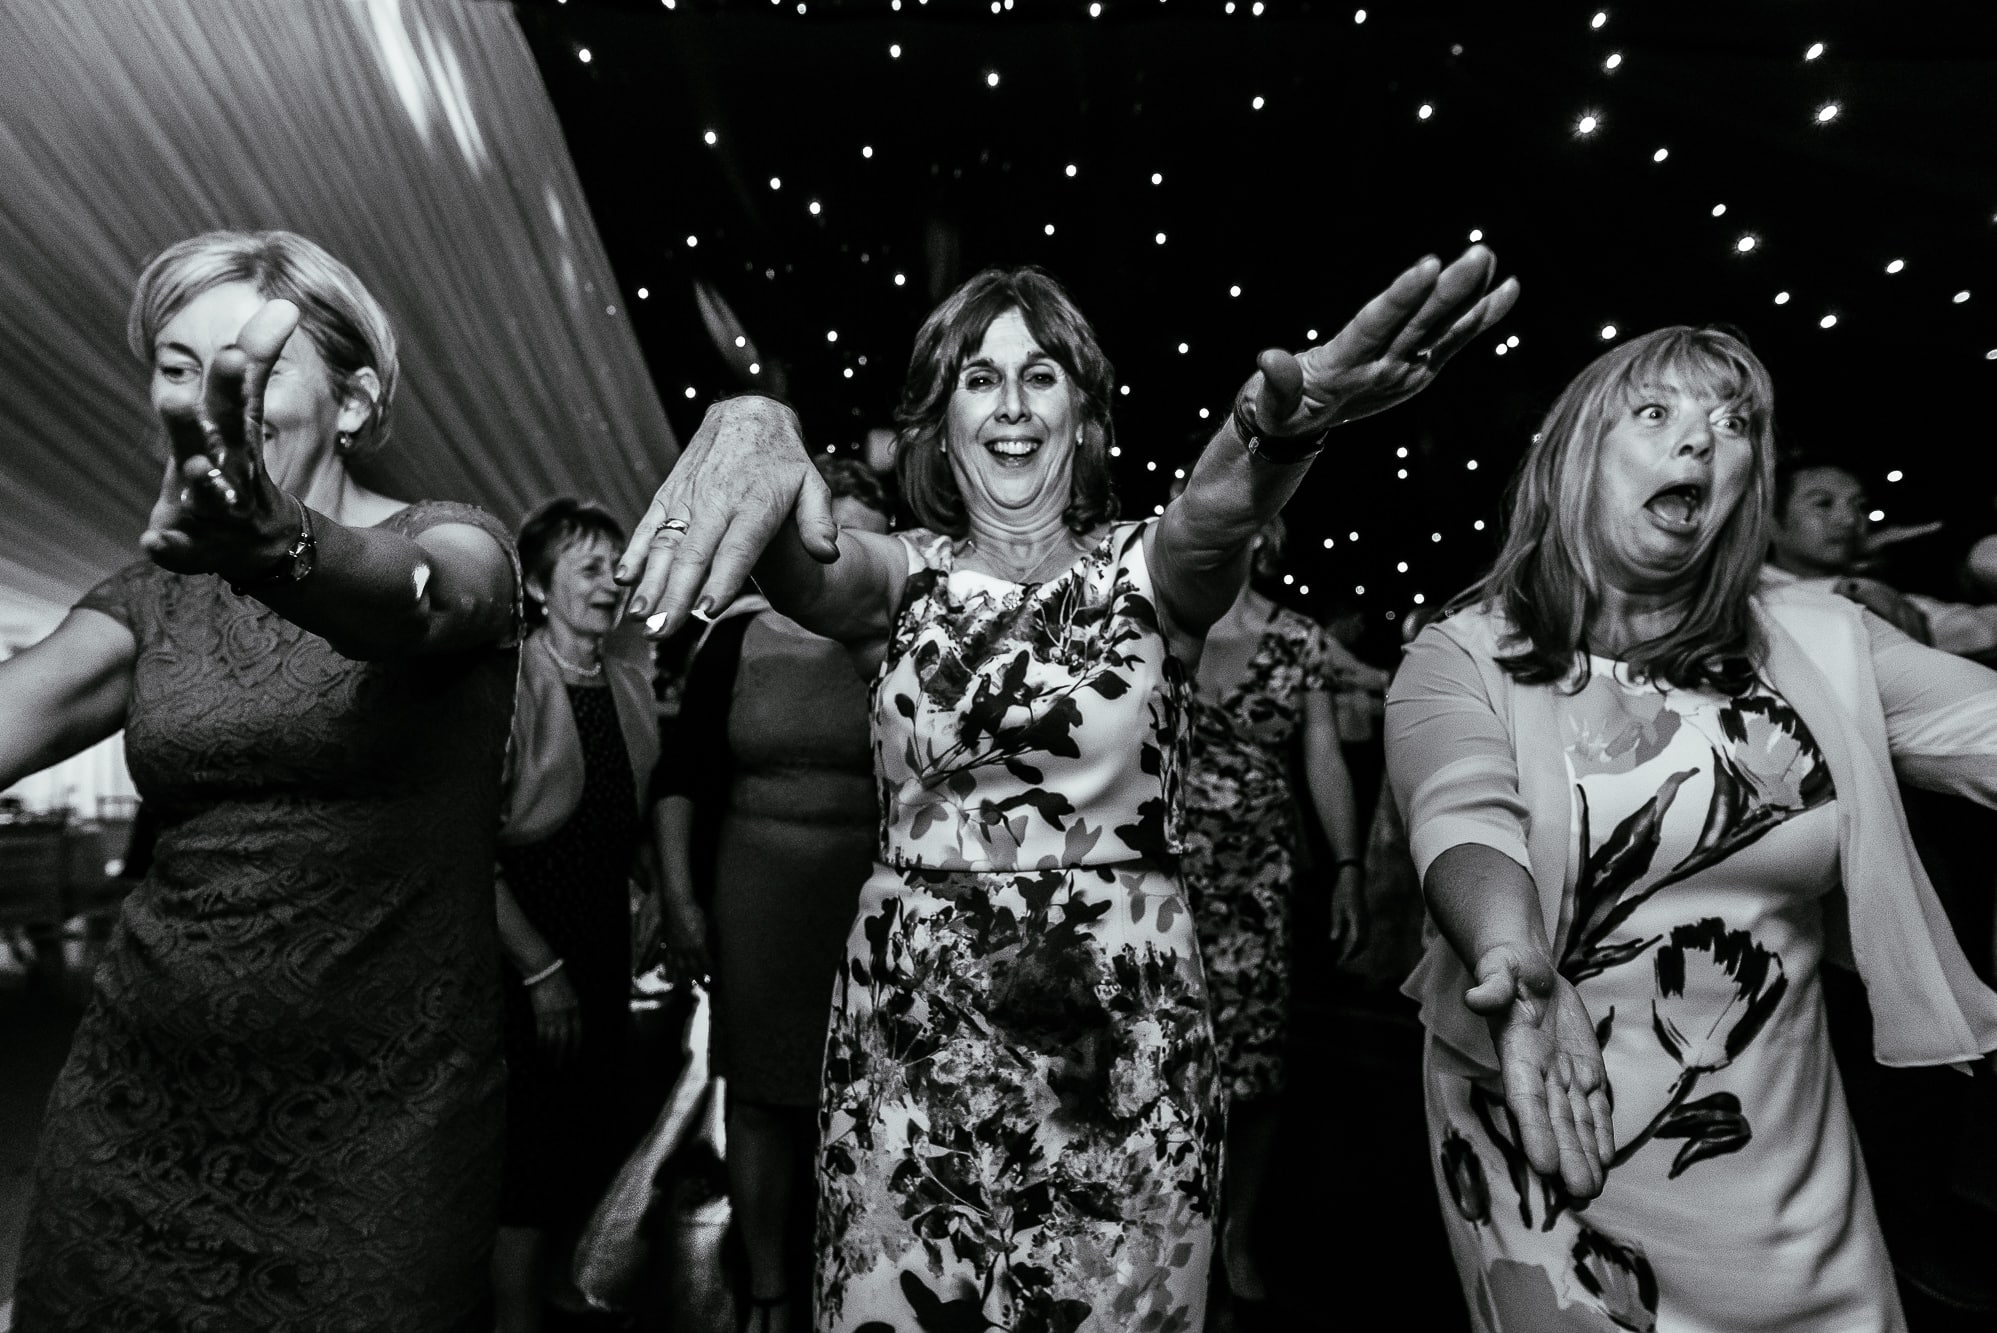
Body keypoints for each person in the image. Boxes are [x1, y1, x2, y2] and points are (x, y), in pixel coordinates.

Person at [614, 250, 1516, 1331]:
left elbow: (1219, 512)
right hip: (917, 1043)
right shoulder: (896, 577)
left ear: (1084, 415)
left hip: (1119, 1051)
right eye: (977, 376)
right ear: (938, 418)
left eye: (1041, 375)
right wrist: (758, 418)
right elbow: (799, 560)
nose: (1009, 402)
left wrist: (1277, 431)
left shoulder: (1150, 571)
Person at [1387, 325, 1997, 1330]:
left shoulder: (1820, 643)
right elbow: (1461, 819)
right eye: (1656, 413)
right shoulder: (1468, 651)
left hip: (1776, 1166)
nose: (1701, 442)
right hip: (1541, 1129)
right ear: (1578, 453)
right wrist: (1509, 950)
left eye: (1732, 425)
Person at [5, 230, 519, 1329]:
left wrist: (280, 541)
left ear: (353, 398)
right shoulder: (151, 590)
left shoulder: (456, 539)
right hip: (135, 1112)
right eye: (178, 367)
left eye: (248, 362)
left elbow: (428, 600)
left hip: (379, 1133)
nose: (205, 399)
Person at [654, 456, 894, 1333]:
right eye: (830, 536)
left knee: (869, 1098)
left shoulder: (905, 636)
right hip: (756, 892)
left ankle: (861, 1286)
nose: (843, 554)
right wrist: (680, 901)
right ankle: (765, 1285)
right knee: (759, 1096)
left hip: (876, 902)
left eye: (865, 536)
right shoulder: (736, 635)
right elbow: (680, 777)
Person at [1176, 512, 1366, 1304]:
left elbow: (1321, 754)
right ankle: (1173, 1227)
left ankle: (1237, 1233)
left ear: (1264, 540)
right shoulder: (1153, 621)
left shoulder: (1298, 638)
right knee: (1169, 1058)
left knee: (1252, 1067)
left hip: (1256, 877)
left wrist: (1349, 866)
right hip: (1161, 878)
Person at [491, 498, 662, 1332]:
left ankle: (558, 1274)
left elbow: (621, 816)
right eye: (590, 567)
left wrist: (661, 889)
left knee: (588, 1118)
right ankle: (514, 1312)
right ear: (536, 583)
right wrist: (539, 969)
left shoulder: (627, 684)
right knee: (528, 1141)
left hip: (597, 942)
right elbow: (470, 850)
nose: (612, 580)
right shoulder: (509, 683)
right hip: (524, 950)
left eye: (617, 564)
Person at [1765, 456, 1997, 661]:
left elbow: (1970, 628)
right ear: (1770, 523)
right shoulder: (1748, 595)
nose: (1849, 520)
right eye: (1823, 503)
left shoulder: (1880, 596)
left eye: (1860, 506)